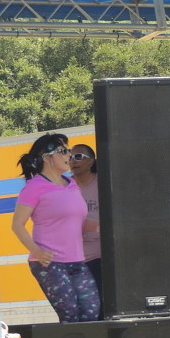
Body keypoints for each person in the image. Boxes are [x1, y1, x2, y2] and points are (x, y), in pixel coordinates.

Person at [11, 133, 100, 323]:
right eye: (63, 151)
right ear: (47, 156)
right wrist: (37, 251)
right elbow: (17, 225)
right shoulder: (34, 187)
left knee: (91, 312)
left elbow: (77, 221)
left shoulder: (72, 184)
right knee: (70, 314)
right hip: (50, 263)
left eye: (69, 150)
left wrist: (101, 228)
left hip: (77, 261)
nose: (69, 155)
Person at [69, 144, 102, 292]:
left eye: (78, 157)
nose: (73, 161)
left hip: (100, 257)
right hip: (73, 259)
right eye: (70, 157)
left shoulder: (103, 183)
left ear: (91, 161)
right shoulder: (64, 187)